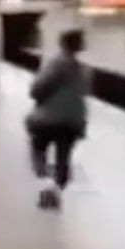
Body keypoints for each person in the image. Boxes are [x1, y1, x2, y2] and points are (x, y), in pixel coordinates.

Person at [26, 29, 90, 210]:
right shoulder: (84, 70)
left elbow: (36, 90)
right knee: (64, 158)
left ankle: (45, 185)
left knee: (38, 149)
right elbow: (82, 95)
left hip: (48, 120)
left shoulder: (56, 63)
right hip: (73, 122)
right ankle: (54, 191)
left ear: (62, 44)